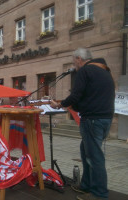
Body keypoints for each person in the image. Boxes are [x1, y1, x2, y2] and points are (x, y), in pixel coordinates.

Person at [50, 48, 115, 200]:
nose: (75, 65)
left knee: (94, 157)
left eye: (74, 62)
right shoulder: (104, 71)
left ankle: (99, 194)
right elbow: (90, 97)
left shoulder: (85, 71)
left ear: (79, 59)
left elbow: (76, 95)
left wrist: (60, 105)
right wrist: (74, 106)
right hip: (105, 118)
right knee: (85, 150)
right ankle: (86, 185)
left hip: (92, 119)